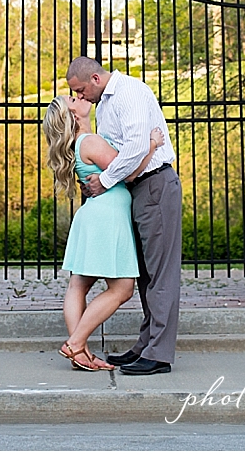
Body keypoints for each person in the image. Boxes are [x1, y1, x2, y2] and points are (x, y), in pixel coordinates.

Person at [67, 55, 181, 376]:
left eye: (79, 90)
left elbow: (131, 149)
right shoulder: (103, 105)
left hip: (155, 183)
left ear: (94, 79)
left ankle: (159, 353)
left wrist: (104, 181)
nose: (79, 97)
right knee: (144, 274)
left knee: (161, 273)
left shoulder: (129, 91)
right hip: (135, 188)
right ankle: (146, 345)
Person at [42, 91, 166, 372]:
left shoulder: (77, 143)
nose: (79, 97)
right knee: (122, 289)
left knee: (78, 285)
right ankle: (76, 344)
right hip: (107, 217)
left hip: (93, 215)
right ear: (73, 115)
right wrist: (152, 144)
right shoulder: (90, 141)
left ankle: (80, 353)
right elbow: (129, 172)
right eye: (73, 100)